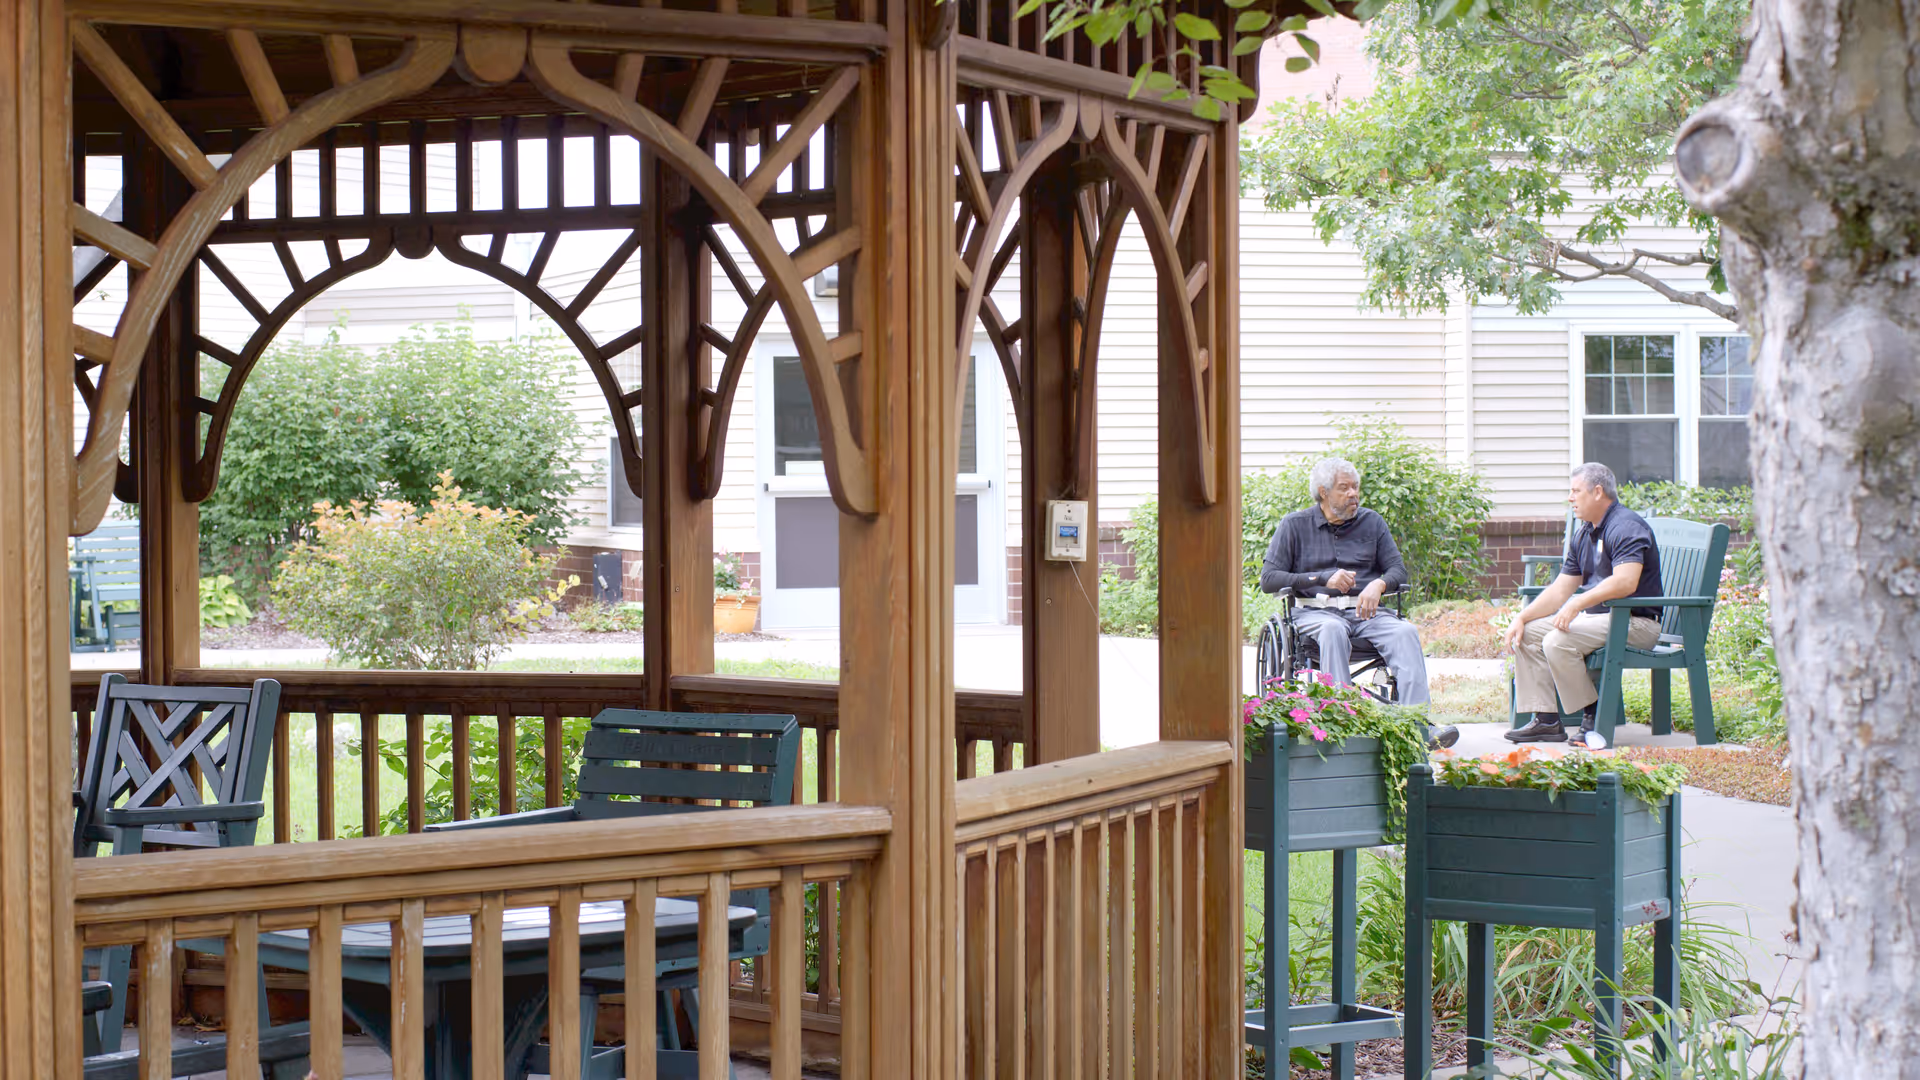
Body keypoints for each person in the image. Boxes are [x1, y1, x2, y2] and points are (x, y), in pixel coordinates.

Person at [1259, 457, 1456, 748]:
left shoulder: (1372, 523)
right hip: (1316, 615)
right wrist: (1321, 578)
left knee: (1405, 632)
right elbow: (1269, 579)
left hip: (1367, 615)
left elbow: (1397, 571)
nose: (1353, 494)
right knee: (1332, 630)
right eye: (1344, 488)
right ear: (1324, 492)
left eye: (1356, 487)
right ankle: (1343, 723)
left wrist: (1379, 583)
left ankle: (1418, 728)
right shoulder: (1294, 526)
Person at [1502, 462, 1665, 746]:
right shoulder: (1586, 532)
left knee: (1557, 641)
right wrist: (1522, 617)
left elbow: (1625, 582)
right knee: (1528, 634)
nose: (1570, 498)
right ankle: (1547, 721)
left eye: (1576, 491)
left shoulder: (1625, 526)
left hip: (1636, 623)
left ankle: (1593, 719)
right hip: (1600, 621)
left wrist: (1578, 605)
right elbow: (1560, 589)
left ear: (1597, 492)